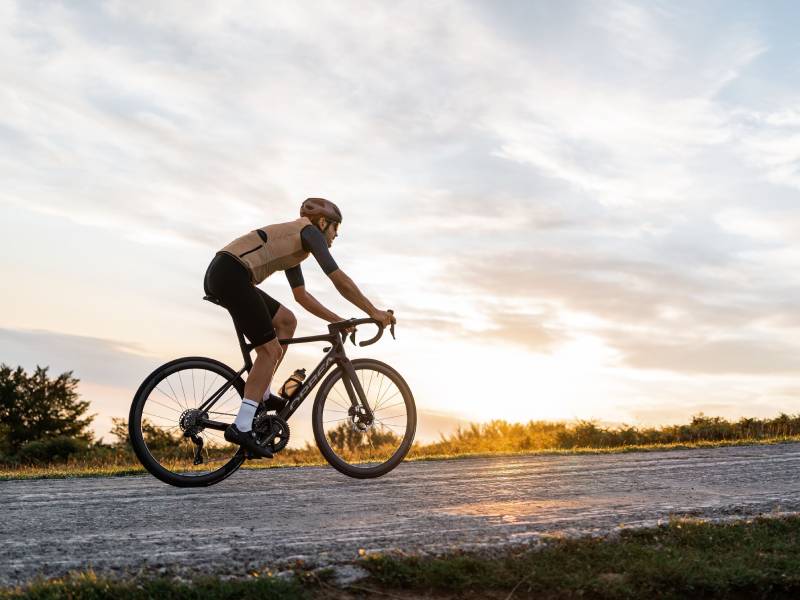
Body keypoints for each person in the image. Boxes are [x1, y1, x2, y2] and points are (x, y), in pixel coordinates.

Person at [203, 198, 396, 458]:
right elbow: (338, 278)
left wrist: (337, 319)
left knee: (286, 321)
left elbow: (301, 296)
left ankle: (264, 393)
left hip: (228, 273)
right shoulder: (309, 232)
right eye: (335, 228)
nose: (336, 235)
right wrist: (373, 311)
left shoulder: (296, 244)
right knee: (269, 351)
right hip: (231, 274)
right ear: (323, 222)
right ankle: (242, 425)